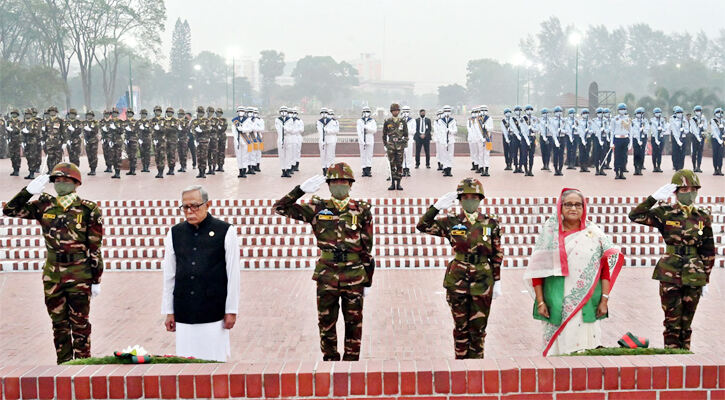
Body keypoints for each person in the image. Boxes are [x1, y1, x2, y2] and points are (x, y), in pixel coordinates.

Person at [3, 163, 103, 364]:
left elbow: (95, 246)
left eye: (65, 181)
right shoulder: (44, 206)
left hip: (79, 274)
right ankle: (64, 367)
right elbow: (10, 210)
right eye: (57, 181)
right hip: (53, 275)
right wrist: (28, 192)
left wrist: (96, 278)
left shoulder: (88, 209)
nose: (60, 184)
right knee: (59, 325)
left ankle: (83, 366)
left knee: (80, 325)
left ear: (76, 183)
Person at [273, 163, 374, 361]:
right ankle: (330, 362)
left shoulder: (362, 210)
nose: (339, 185)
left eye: (343, 182)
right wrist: (299, 190)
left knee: (354, 323)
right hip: (327, 275)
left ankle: (351, 365)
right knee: (326, 323)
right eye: (335, 182)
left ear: (350, 184)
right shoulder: (317, 208)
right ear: (328, 185)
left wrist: (368, 280)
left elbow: (367, 247)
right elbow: (280, 207)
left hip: (354, 275)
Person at [524, 188, 624, 356]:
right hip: (556, 302)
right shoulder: (550, 234)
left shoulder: (594, 234)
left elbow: (605, 270)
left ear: (584, 208)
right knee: (558, 352)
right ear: (560, 207)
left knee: (586, 350)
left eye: (578, 205)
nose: (573, 208)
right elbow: (537, 271)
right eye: (568, 204)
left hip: (587, 302)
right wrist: (540, 302)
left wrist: (604, 300)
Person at [417, 178, 503, 359]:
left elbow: (497, 254)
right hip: (458, 280)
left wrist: (497, 280)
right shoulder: (451, 222)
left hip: (482, 280)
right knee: (460, 327)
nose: (470, 200)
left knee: (478, 329)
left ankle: (477, 367)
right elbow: (422, 225)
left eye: (474, 197)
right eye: (465, 197)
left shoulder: (490, 223)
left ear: (480, 199)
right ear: (460, 199)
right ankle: (461, 366)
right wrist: (436, 207)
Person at [628, 170, 715, 349]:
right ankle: (672, 358)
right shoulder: (665, 213)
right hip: (670, 272)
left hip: (694, 274)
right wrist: (653, 198)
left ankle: (685, 359)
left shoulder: (702, 216)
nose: (689, 193)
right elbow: (635, 215)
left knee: (687, 323)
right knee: (672, 322)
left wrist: (706, 278)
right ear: (675, 192)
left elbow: (707, 249)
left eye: (693, 189)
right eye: (684, 189)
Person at [161, 185, 240, 362]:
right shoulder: (175, 233)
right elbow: (169, 275)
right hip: (184, 310)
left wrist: (232, 310)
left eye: (195, 206)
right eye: (185, 207)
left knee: (214, 362)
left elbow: (233, 274)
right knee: (186, 363)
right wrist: (169, 311)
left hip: (213, 310)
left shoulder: (226, 231)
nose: (190, 211)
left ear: (208, 205)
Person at [382, 103, 409, 189]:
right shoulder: (387, 121)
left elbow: (406, 135)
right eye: (394, 110)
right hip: (391, 147)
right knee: (392, 165)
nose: (396, 112)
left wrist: (403, 143)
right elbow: (384, 134)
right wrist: (386, 144)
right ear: (391, 111)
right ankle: (393, 183)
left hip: (400, 147)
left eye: (397, 110)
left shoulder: (403, 121)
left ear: (399, 111)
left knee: (399, 165)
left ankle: (399, 183)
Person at [611, 103, 632, 180]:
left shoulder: (628, 119)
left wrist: (630, 142)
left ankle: (622, 173)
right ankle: (617, 172)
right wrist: (611, 142)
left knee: (624, 157)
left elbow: (631, 131)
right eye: (621, 109)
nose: (622, 111)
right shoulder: (614, 119)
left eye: (623, 109)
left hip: (625, 139)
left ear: (626, 110)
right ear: (618, 110)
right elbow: (612, 131)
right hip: (617, 139)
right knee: (617, 156)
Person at [357, 106, 377, 177]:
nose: (366, 113)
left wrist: (367, 127)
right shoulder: (360, 121)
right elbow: (359, 131)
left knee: (369, 155)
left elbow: (374, 130)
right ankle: (364, 170)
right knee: (363, 155)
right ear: (362, 112)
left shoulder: (372, 121)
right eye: (365, 111)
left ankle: (368, 170)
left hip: (369, 137)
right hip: (362, 138)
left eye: (367, 111)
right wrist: (361, 140)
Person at [275, 106, 293, 177]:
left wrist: (285, 128)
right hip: (280, 138)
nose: (283, 112)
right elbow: (278, 130)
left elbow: (290, 129)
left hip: (288, 138)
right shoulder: (277, 120)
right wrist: (285, 130)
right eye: (282, 111)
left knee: (288, 155)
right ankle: (283, 170)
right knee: (282, 155)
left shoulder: (290, 119)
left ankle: (288, 170)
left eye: (285, 111)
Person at [631, 107, 648, 176]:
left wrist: (643, 130)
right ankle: (636, 168)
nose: (639, 114)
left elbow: (647, 129)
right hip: (636, 139)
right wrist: (638, 140)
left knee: (641, 154)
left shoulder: (645, 121)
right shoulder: (633, 121)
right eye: (638, 113)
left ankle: (640, 168)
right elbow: (633, 131)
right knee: (636, 153)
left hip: (643, 138)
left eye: (640, 113)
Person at [477, 105, 494, 176]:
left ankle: (486, 169)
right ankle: (481, 168)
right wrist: (481, 138)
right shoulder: (478, 119)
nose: (484, 112)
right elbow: (476, 130)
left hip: (488, 139)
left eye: (485, 110)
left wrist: (486, 127)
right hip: (480, 139)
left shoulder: (489, 118)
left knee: (487, 154)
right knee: (480, 154)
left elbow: (491, 128)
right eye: (482, 110)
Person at [689, 105, 706, 172]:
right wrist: (697, 136)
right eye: (697, 111)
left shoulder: (703, 118)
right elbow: (693, 129)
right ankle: (694, 166)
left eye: (699, 111)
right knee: (694, 152)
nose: (698, 112)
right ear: (694, 112)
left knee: (700, 152)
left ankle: (698, 167)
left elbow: (705, 127)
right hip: (695, 137)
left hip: (701, 136)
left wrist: (702, 127)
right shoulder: (692, 119)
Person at [650, 107, 667, 173]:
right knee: (654, 152)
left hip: (661, 137)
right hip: (654, 137)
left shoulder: (662, 120)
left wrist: (661, 129)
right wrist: (657, 130)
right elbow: (653, 129)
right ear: (654, 114)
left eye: (659, 112)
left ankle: (659, 166)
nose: (658, 114)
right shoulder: (652, 120)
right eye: (656, 113)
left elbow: (665, 128)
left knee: (660, 152)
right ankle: (654, 166)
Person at [6, 109, 22, 176]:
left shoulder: (20, 122)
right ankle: (14, 169)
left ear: (17, 115)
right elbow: (7, 130)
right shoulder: (9, 121)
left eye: (15, 113)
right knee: (12, 155)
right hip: (11, 140)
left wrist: (13, 130)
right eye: (12, 113)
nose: (14, 115)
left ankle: (17, 169)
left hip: (17, 140)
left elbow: (20, 130)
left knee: (17, 156)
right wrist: (7, 138)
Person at [123, 109, 139, 176]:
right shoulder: (125, 121)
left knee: (133, 155)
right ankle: (130, 169)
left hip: (133, 140)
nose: (129, 114)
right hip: (127, 140)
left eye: (130, 113)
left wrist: (131, 129)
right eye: (128, 113)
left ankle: (133, 170)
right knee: (129, 155)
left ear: (132, 114)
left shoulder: (135, 121)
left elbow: (137, 129)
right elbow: (122, 130)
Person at [710, 108, 724, 176]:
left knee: (720, 155)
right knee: (715, 154)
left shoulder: (723, 121)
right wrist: (719, 140)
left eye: (720, 112)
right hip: (715, 139)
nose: (719, 114)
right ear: (715, 114)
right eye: (718, 112)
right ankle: (715, 169)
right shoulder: (713, 121)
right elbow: (714, 131)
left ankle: (720, 169)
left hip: (722, 140)